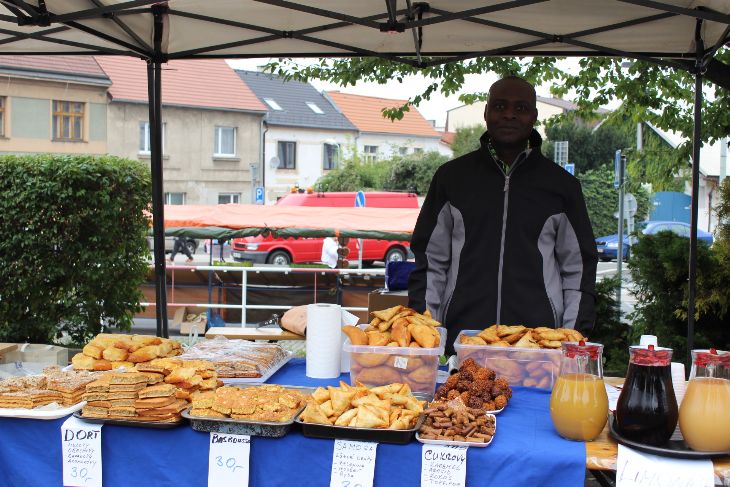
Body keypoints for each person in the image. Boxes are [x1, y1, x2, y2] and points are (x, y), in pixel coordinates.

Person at [408, 76, 598, 353]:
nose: (509, 114)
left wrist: (571, 344)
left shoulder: (561, 186)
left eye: (521, 108)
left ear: (534, 116)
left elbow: (578, 270)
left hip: (538, 347)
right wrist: (427, 336)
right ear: (486, 113)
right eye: (500, 106)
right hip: (462, 342)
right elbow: (430, 263)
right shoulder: (452, 178)